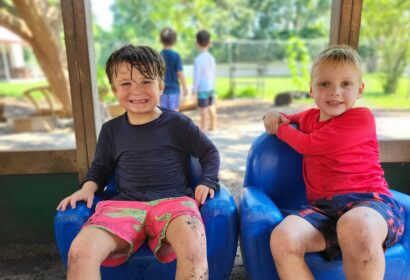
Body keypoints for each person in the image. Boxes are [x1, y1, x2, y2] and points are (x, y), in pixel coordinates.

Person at [57, 45, 220, 280]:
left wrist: (208, 181)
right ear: (114, 90)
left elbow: (210, 153)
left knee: (194, 246)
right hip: (123, 207)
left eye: (146, 81)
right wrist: (87, 188)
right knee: (80, 252)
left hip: (174, 204)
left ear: (161, 86)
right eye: (126, 84)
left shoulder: (178, 124)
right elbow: (101, 168)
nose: (137, 90)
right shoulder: (111, 130)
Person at [263, 45, 404, 280]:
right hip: (325, 211)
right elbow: (286, 119)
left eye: (346, 84)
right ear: (312, 90)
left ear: (360, 89)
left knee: (355, 225)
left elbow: (309, 145)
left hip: (370, 206)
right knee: (283, 237)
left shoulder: (361, 118)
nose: (335, 92)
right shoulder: (309, 117)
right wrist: (272, 115)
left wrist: (281, 129)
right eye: (324, 84)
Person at [192, 30, 217, 131]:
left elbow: (197, 76)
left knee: (203, 109)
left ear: (197, 43)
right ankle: (213, 125)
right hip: (210, 86)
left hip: (202, 88)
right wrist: (213, 85)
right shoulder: (211, 58)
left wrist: (194, 88)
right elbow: (214, 73)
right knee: (211, 106)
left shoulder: (198, 59)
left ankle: (203, 128)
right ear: (209, 42)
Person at [159, 27, 189, 111]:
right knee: (175, 113)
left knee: (163, 114)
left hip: (162, 91)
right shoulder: (176, 55)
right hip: (174, 91)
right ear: (174, 40)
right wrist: (185, 88)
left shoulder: (158, 55)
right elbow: (180, 73)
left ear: (161, 40)